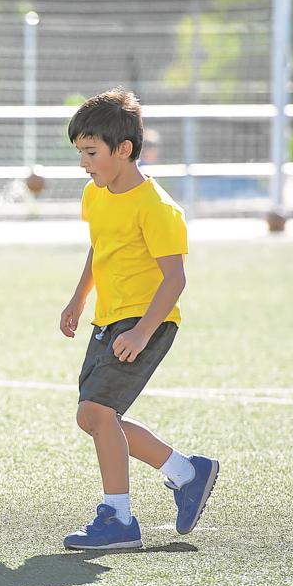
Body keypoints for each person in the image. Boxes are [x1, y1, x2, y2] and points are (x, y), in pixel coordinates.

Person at [57, 87, 218, 550]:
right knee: (96, 419)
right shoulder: (96, 195)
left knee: (96, 412)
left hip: (148, 322)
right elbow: (101, 249)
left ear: (123, 150)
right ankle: (187, 473)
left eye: (91, 152)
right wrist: (77, 298)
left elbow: (175, 279)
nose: (84, 163)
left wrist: (144, 330)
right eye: (80, 153)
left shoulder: (157, 207)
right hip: (108, 320)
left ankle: (119, 520)